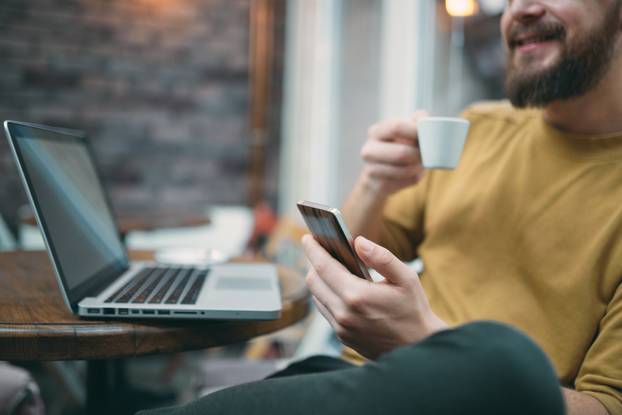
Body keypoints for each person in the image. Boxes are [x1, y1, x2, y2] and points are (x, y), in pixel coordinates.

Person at [138, 1, 622, 414]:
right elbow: (359, 255)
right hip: (357, 375)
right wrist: (375, 183)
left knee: (506, 362)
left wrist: (424, 340)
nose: (520, 8)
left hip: (468, 400)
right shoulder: (477, 129)